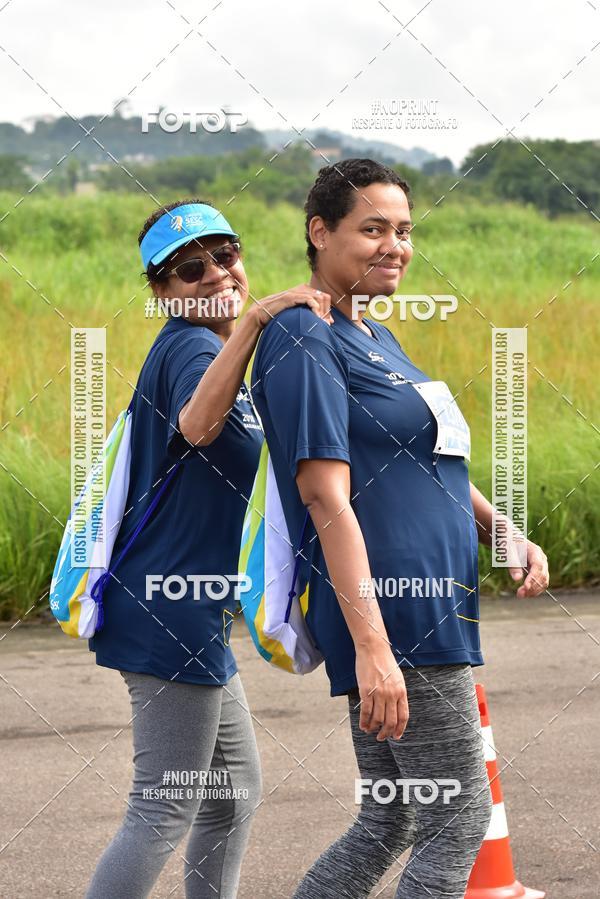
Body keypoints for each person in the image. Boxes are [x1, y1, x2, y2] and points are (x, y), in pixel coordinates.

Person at [250, 160, 549, 898]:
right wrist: (375, 648)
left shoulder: (375, 335)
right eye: (373, 228)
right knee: (455, 816)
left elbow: (426, 457)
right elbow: (325, 497)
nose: (395, 246)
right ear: (320, 233)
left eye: (404, 230)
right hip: (396, 613)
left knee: (393, 820)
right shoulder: (302, 335)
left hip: (430, 606)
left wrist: (498, 528)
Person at [85, 198, 329, 899]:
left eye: (226, 256)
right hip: (169, 610)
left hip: (191, 609)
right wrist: (255, 319)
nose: (218, 274)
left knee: (229, 793)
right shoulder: (194, 346)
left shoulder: (215, 352)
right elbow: (196, 426)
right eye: (191, 270)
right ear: (162, 293)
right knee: (164, 803)